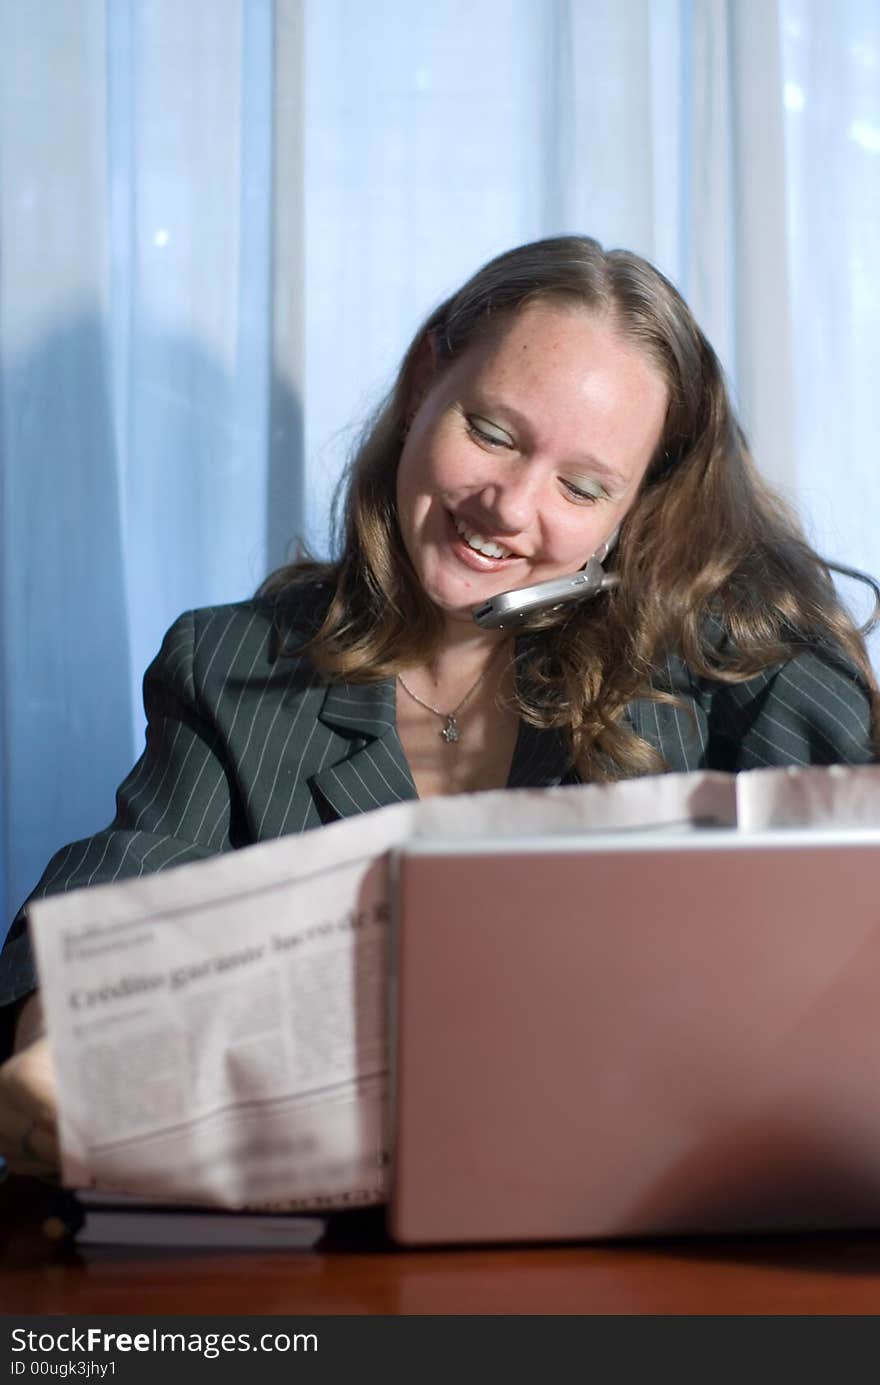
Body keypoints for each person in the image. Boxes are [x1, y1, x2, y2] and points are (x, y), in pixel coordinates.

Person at [1, 234, 877, 1181]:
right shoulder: (232, 663)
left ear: (635, 508)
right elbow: (110, 905)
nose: (510, 507)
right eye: (494, 433)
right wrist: (59, 1045)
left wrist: (732, 574)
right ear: (426, 379)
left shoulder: (715, 661)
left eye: (583, 487)